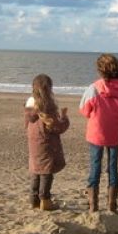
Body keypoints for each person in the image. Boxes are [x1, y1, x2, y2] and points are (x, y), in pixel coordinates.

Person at [79, 53, 118, 213]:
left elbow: (84, 110)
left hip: (96, 133)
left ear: (101, 70)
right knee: (113, 167)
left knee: (95, 166)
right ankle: (111, 205)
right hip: (114, 133)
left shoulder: (94, 88)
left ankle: (93, 206)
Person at [24, 74, 69, 211]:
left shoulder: (30, 103)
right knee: (46, 171)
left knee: (35, 170)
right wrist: (64, 118)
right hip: (46, 142)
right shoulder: (47, 106)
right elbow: (57, 127)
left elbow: (27, 124)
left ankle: (34, 200)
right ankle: (45, 200)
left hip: (34, 141)